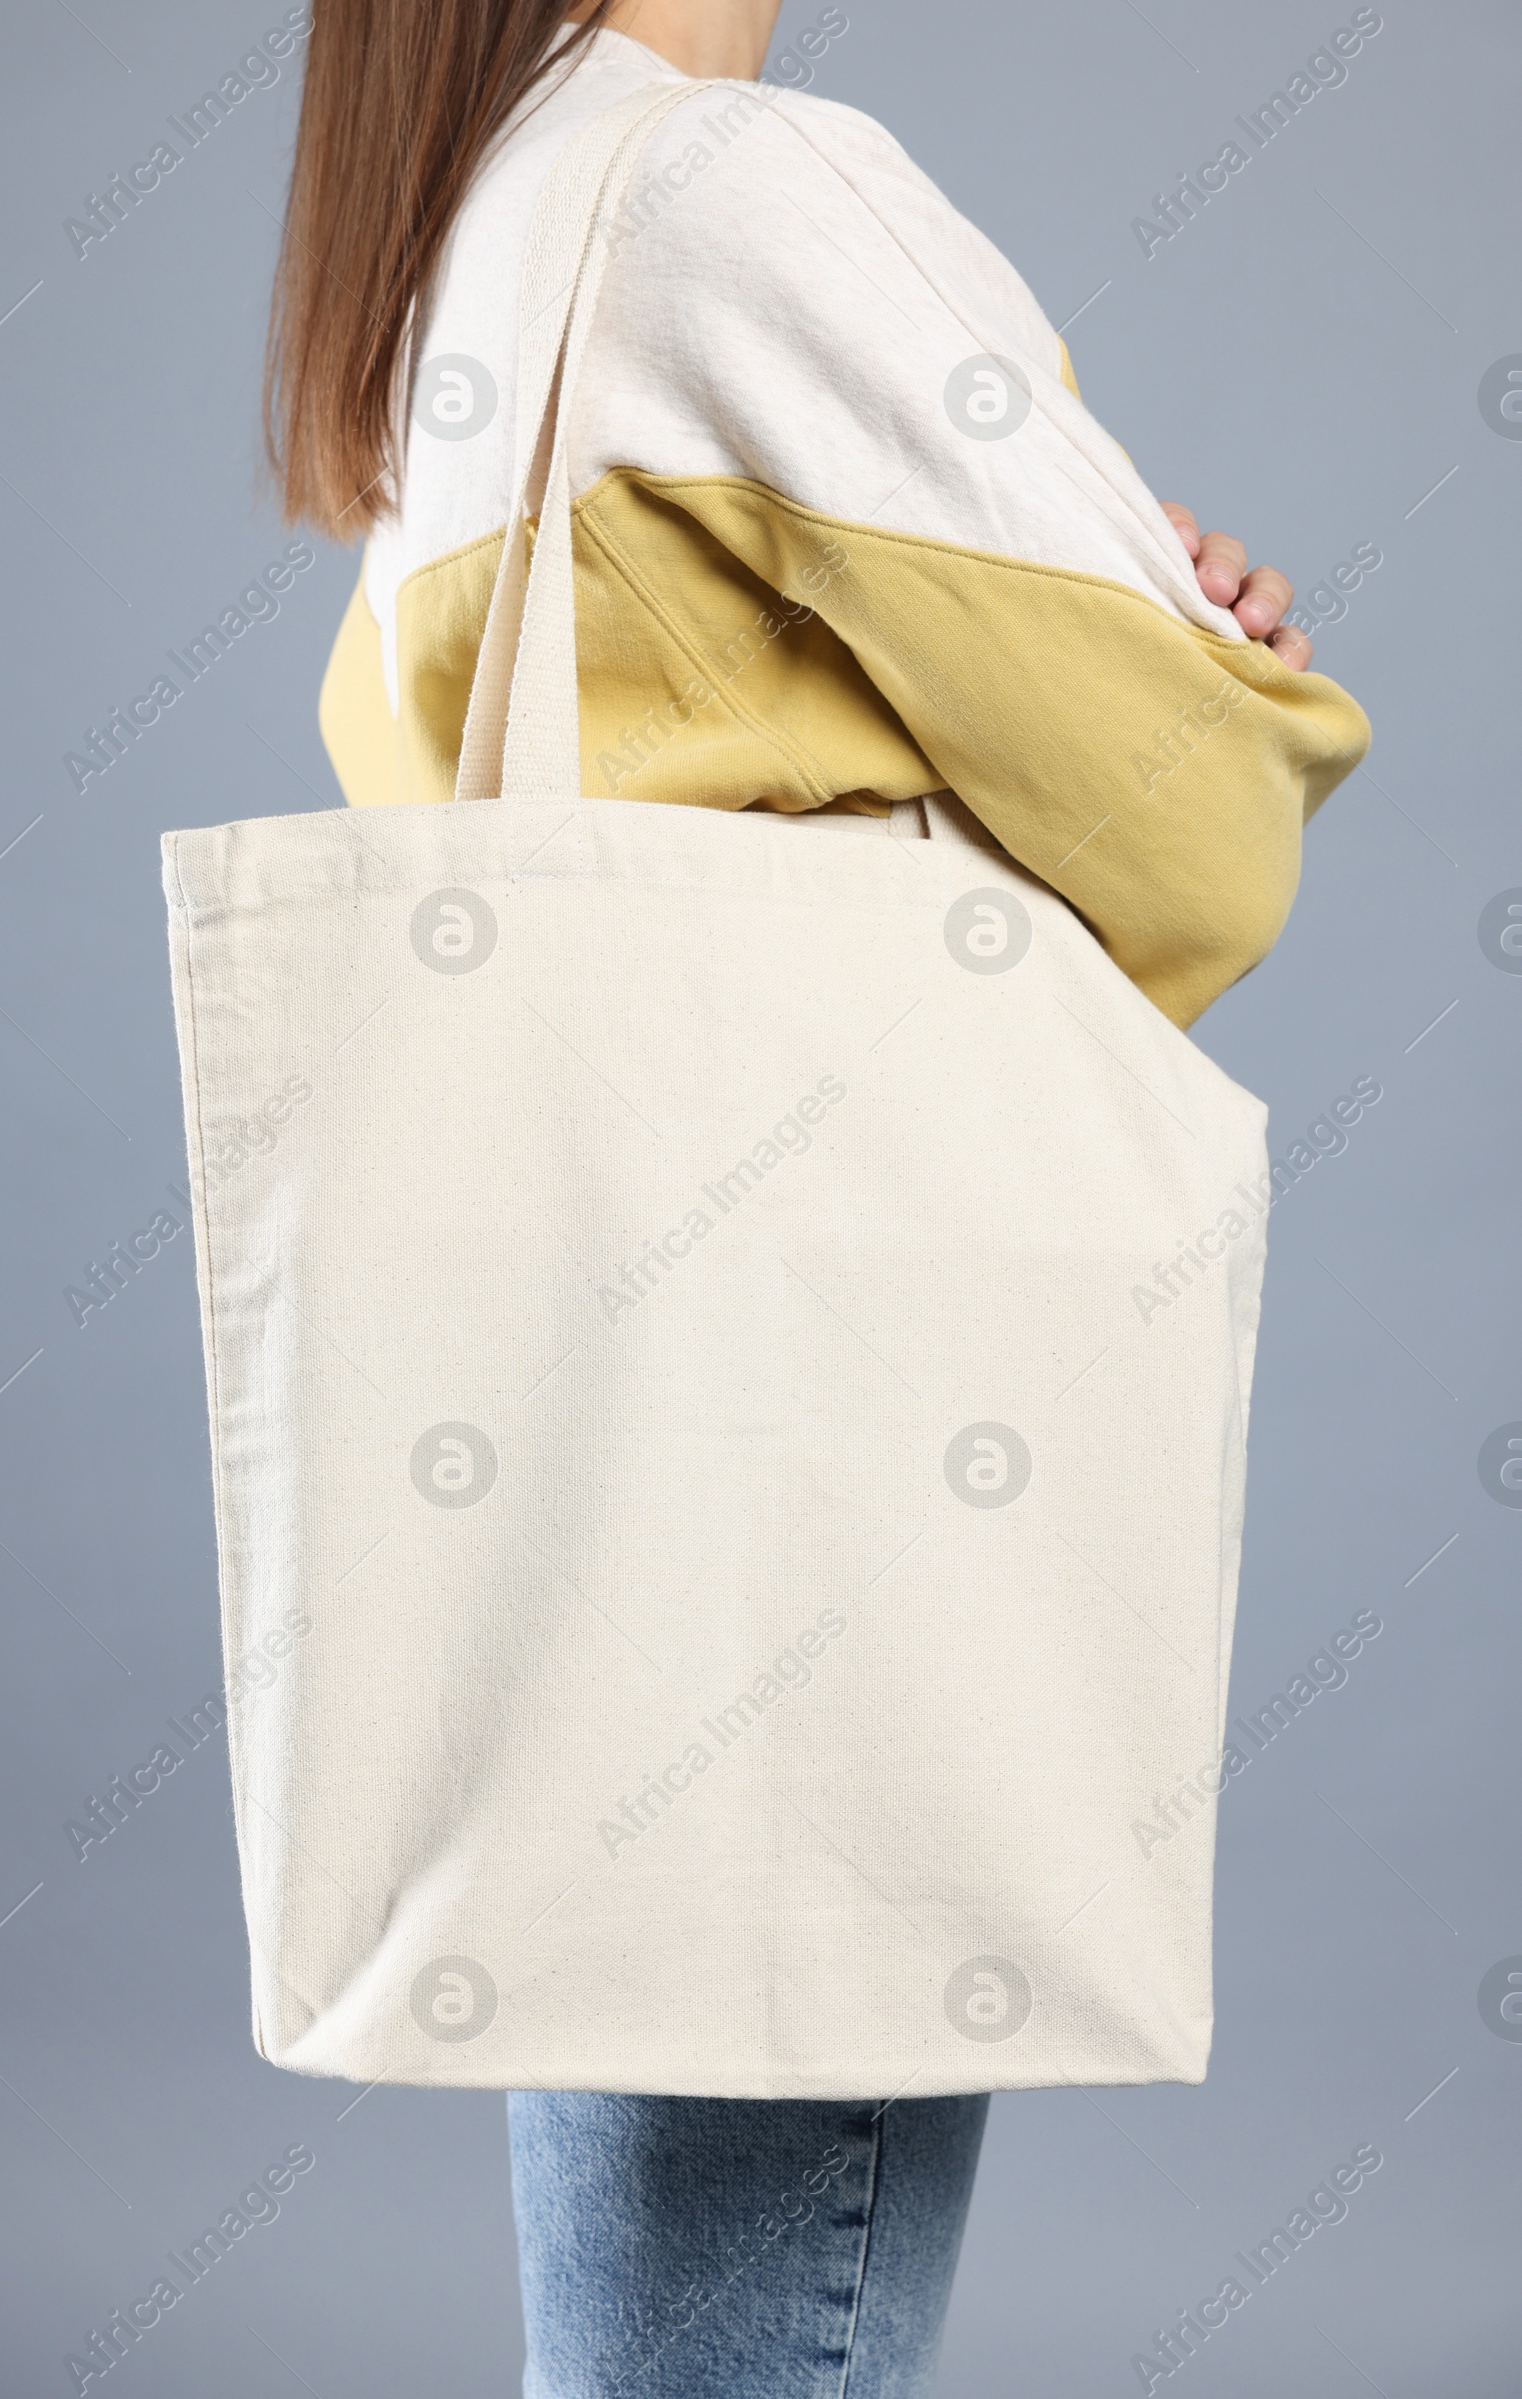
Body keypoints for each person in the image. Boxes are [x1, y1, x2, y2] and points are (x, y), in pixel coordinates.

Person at [262, 4, 1368, 2390]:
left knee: (655, 2314)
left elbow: (463, 795)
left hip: (611, 1421)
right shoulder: (729, 194)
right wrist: (1196, 660)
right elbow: (1201, 814)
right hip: (825, 1425)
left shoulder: (470, 238)